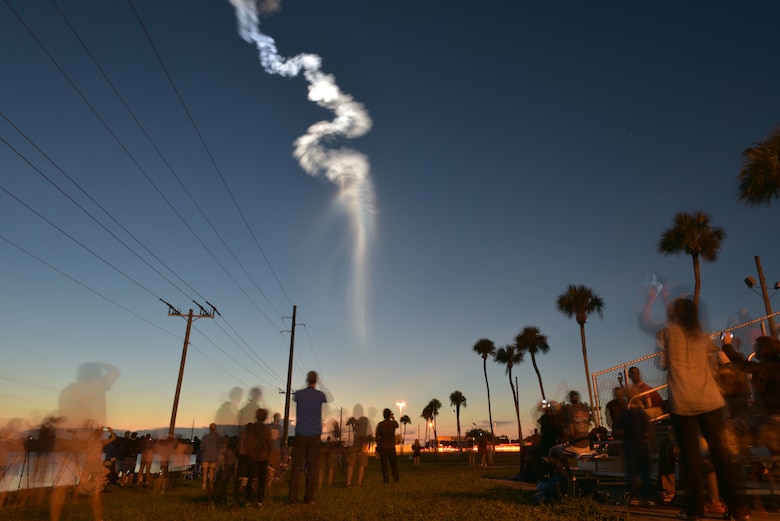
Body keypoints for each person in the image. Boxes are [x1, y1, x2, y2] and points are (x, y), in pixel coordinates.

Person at [660, 297, 749, 521]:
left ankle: (694, 512)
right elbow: (719, 357)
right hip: (711, 402)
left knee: (690, 459)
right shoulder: (702, 337)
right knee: (721, 456)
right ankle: (739, 510)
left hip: (684, 403)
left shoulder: (668, 334)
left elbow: (663, 363)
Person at [288, 371, 328, 505]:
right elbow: (329, 397)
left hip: (300, 435)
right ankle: (309, 498)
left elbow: (294, 398)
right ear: (316, 381)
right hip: (314, 436)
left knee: (296, 467)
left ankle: (292, 499)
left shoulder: (298, 394)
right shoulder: (320, 395)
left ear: (306, 379)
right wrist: (320, 384)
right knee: (312, 468)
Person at [548, 390, 592, 477]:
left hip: (577, 447)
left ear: (570, 399)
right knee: (562, 449)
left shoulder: (569, 410)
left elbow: (572, 433)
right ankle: (568, 474)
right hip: (587, 446)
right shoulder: (585, 410)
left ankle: (565, 474)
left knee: (552, 450)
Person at [375, 408, 400, 483]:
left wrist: (378, 445)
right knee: (394, 463)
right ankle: (395, 478)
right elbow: (397, 425)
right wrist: (393, 418)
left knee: (384, 464)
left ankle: (386, 478)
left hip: (383, 446)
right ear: (389, 415)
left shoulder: (380, 424)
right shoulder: (393, 424)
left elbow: (378, 436)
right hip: (391, 446)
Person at [201, 423, 221, 495]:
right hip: (214, 457)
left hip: (206, 456)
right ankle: (211, 485)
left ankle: (204, 485)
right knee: (212, 472)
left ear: (209, 428)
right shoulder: (218, 437)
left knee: (205, 472)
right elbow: (219, 447)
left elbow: (202, 447)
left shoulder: (205, 437)